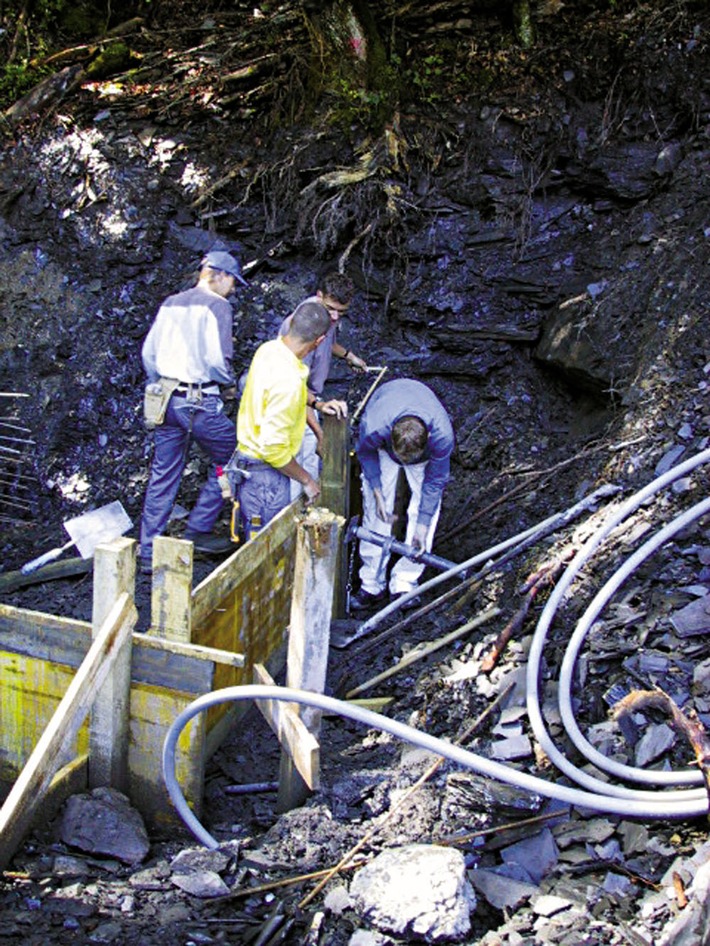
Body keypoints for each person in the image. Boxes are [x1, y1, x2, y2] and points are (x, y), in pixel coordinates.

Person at [140, 249, 247, 573]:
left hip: (167, 402)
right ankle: (198, 531)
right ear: (220, 275)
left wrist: (162, 382)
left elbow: (149, 354)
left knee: (164, 474)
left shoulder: (172, 302)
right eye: (233, 282)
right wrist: (227, 381)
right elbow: (217, 360)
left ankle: (148, 551)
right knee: (233, 457)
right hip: (199, 403)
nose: (233, 290)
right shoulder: (219, 305)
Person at [236, 301, 348, 531]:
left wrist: (317, 404)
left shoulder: (270, 350)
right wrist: (307, 480)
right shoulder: (288, 381)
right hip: (265, 479)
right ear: (319, 341)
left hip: (248, 466)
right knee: (268, 555)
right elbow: (273, 449)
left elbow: (283, 388)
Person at [350, 378, 454, 612]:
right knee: (377, 509)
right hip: (385, 437)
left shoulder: (441, 437)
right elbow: (365, 453)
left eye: (408, 460)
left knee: (425, 513)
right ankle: (371, 584)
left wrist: (423, 525)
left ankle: (405, 580)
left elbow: (434, 482)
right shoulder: (376, 427)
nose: (404, 464)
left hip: (423, 453)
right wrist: (376, 489)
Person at [278, 272, 367, 499]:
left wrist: (349, 356)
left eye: (342, 311)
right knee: (298, 473)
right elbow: (298, 390)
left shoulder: (326, 317)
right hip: (296, 403)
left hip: (309, 398)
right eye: (331, 309)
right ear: (319, 296)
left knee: (310, 469)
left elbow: (330, 343)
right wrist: (320, 434)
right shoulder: (305, 326)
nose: (336, 316)